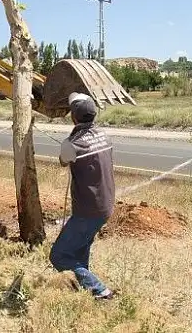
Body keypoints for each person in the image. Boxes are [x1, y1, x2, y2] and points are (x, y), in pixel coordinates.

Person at [49, 92, 115, 300]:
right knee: (80, 247)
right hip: (105, 204)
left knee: (58, 255)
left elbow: (63, 160)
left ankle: (99, 289)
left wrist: (70, 139)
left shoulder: (72, 144)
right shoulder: (105, 135)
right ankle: (82, 289)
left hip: (88, 209)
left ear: (73, 117)